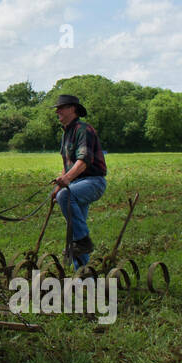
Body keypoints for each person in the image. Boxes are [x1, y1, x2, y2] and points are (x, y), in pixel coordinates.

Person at [50, 95, 107, 270]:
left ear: (72, 109)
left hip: (93, 181)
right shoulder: (66, 133)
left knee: (65, 196)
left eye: (61, 108)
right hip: (76, 184)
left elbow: (84, 160)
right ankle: (83, 271)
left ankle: (83, 241)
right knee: (74, 225)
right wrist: (58, 185)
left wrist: (65, 183)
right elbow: (67, 165)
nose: (57, 111)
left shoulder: (84, 129)